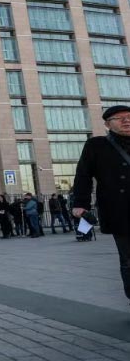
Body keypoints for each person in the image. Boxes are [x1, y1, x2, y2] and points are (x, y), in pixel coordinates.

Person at [72, 105, 130, 305]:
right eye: (119, 118)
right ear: (107, 124)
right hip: (120, 211)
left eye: (129, 117)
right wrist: (80, 203)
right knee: (128, 259)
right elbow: (83, 175)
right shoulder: (96, 145)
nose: (126, 121)